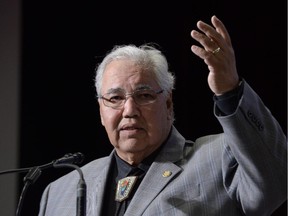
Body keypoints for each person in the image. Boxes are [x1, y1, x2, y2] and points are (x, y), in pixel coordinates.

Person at [38, 15, 287, 216]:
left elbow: (277, 180)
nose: (129, 110)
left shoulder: (220, 157)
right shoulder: (60, 191)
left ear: (168, 104)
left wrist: (230, 91)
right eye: (115, 99)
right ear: (101, 111)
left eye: (144, 96)